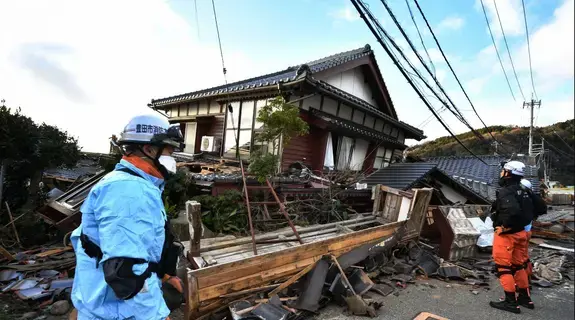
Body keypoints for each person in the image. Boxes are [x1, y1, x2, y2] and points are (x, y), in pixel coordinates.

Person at [70, 114, 185, 320]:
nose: (172, 157)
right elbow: (128, 270)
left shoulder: (134, 184)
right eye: (169, 151)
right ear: (149, 149)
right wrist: (155, 316)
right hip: (114, 311)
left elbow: (144, 244)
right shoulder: (129, 190)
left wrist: (165, 273)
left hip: (109, 305)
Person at [489, 161, 534, 314]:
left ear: (508, 173)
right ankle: (525, 297)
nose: (501, 173)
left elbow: (512, 211)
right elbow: (540, 207)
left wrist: (505, 226)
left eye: (503, 171)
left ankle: (510, 302)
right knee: (519, 265)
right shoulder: (524, 190)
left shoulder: (506, 191)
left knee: (503, 267)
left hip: (507, 235)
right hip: (522, 232)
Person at [519, 178, 547, 291]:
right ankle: (527, 277)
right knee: (524, 256)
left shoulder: (522, 199)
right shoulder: (533, 198)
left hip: (519, 232)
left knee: (518, 259)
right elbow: (541, 210)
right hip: (527, 230)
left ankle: (522, 284)